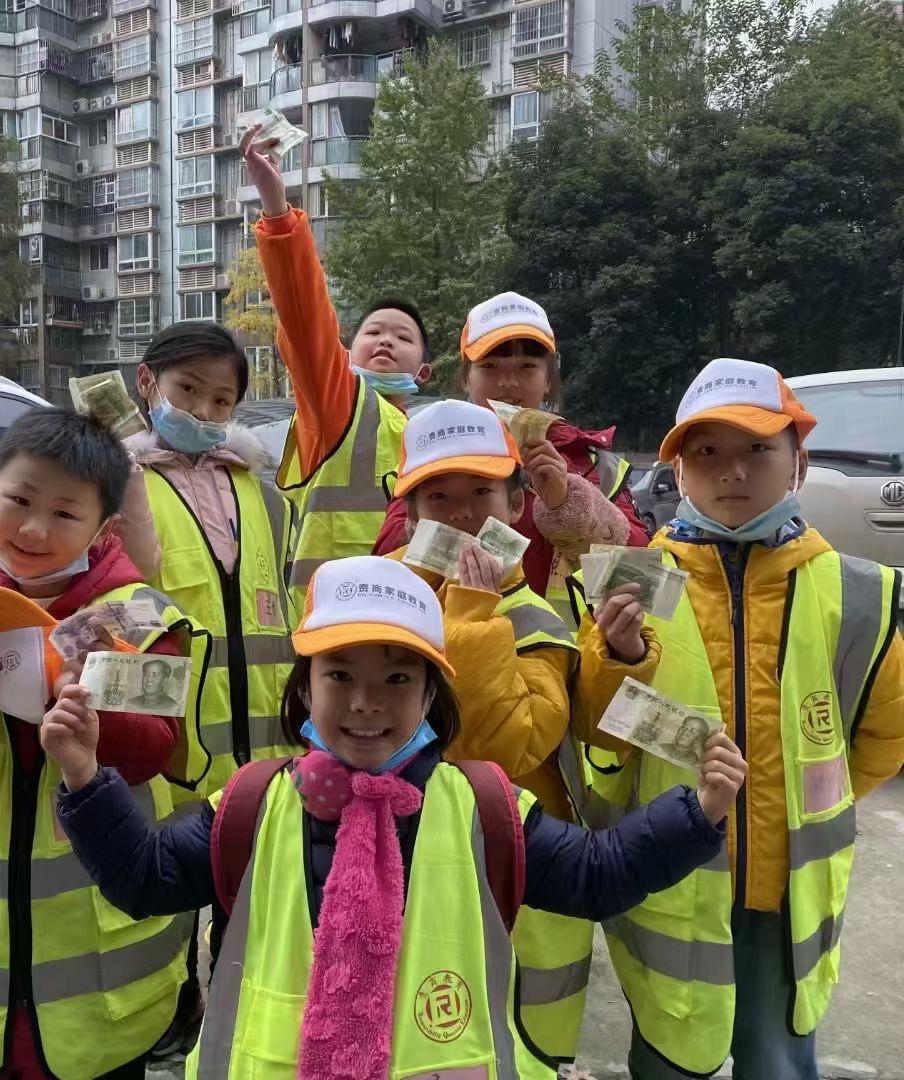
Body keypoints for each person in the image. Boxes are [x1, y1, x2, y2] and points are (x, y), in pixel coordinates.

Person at [43, 555, 748, 1080]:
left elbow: (595, 876)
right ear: (304, 688)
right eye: (340, 675)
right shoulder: (252, 804)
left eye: (398, 678)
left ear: (432, 695)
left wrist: (699, 812)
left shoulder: (485, 806)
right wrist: (83, 775)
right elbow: (145, 879)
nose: (366, 701)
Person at [572, 358, 904, 1080]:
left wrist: (806, 805)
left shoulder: (857, 590)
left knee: (777, 1057)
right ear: (678, 470)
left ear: (798, 460)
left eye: (758, 448)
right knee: (667, 1053)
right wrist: (619, 656)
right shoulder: (635, 577)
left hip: (786, 896)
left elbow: (884, 736)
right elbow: (594, 731)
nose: (733, 471)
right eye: (707, 452)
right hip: (671, 880)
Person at [0, 408, 189, 1080]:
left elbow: (154, 752)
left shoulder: (137, 614)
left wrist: (87, 699)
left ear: (103, 527)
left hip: (99, 959)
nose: (32, 529)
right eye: (19, 501)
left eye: (64, 513)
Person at [384, 397, 657, 1062]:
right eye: (439, 497)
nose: (462, 514)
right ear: (410, 515)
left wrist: (470, 616)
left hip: (521, 866)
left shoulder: (535, 617)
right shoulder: (379, 606)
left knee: (522, 1045)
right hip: (401, 861)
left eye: (481, 493)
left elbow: (507, 746)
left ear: (515, 506)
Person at [373, 291, 649, 627]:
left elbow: (644, 585)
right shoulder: (430, 454)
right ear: (466, 378)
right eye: (490, 367)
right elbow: (389, 564)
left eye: (527, 366)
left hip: (574, 653)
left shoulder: (596, 466)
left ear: (548, 380)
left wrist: (569, 506)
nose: (508, 382)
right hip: (459, 648)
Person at [241, 124, 429, 614]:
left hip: (413, 633)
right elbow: (305, 318)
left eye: (403, 337)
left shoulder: (430, 437)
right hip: (329, 633)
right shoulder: (338, 408)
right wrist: (277, 211)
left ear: (424, 372)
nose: (386, 340)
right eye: (373, 332)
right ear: (345, 352)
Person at [117, 321, 298, 797]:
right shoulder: (118, 488)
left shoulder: (264, 494)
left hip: (270, 765)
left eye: (221, 399)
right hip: (172, 769)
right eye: (187, 389)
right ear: (146, 381)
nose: (202, 411)